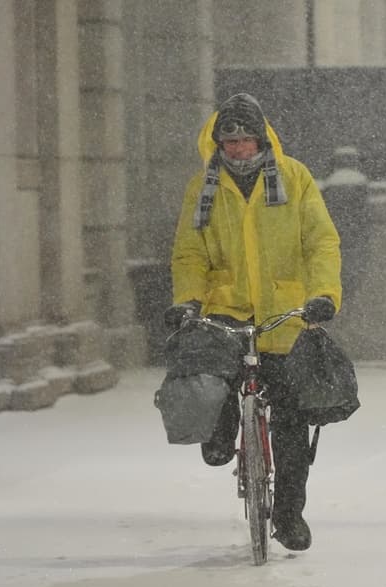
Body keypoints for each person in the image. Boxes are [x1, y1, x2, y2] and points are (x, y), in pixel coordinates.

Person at [165, 93, 342, 552]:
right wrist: (188, 302)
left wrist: (322, 295)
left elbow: (320, 242)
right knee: (211, 379)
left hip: (283, 315)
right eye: (231, 142)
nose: (239, 149)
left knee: (290, 422)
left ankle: (288, 515)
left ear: (261, 139)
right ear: (218, 144)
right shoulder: (202, 186)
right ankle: (220, 432)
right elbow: (190, 253)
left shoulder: (294, 178)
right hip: (225, 308)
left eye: (246, 140)